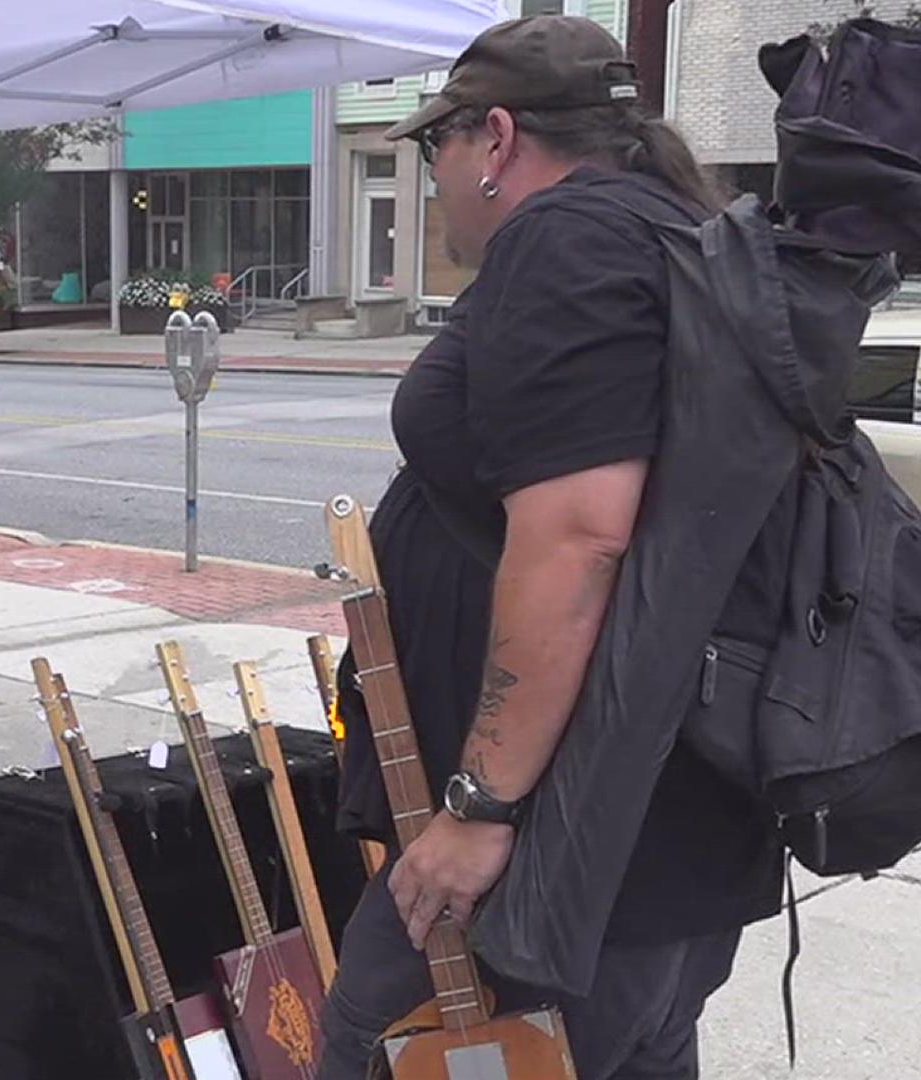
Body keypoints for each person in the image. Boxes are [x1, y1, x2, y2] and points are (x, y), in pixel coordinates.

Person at [316, 16, 785, 1080]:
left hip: (558, 855)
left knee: (375, 1049)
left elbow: (580, 541)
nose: (433, 175)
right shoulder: (675, 232)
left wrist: (481, 810)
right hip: (649, 849)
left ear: (496, 138)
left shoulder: (567, 242)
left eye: (437, 146)